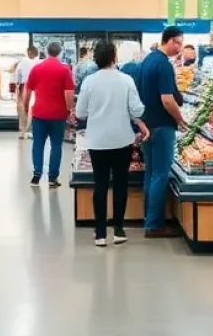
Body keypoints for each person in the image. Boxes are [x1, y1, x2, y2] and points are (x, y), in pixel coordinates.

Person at [75, 41, 149, 247]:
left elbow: (80, 113)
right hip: (122, 140)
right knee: (120, 184)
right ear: (114, 57)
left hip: (97, 141)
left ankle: (100, 233)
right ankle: (118, 229)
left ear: (96, 58)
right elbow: (137, 110)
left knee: (100, 185)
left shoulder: (89, 82)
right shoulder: (126, 80)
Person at [136, 25, 185, 238]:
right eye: (179, 42)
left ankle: (149, 218)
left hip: (147, 125)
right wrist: (180, 119)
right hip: (162, 126)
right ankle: (154, 225)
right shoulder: (164, 65)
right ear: (170, 41)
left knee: (151, 173)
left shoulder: (147, 60)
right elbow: (167, 100)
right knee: (160, 174)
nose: (181, 47)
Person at [27, 40, 74, 188]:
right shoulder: (65, 69)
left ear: (46, 52)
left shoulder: (37, 68)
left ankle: (37, 174)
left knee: (38, 144)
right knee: (56, 146)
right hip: (58, 115)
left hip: (39, 114)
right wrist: (69, 110)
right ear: (60, 52)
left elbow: (27, 91)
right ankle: (53, 177)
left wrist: (24, 106)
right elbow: (69, 93)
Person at [14, 45, 40, 139]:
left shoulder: (21, 62)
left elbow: (17, 76)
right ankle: (27, 131)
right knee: (29, 110)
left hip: (21, 87)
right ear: (31, 53)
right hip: (31, 87)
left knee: (21, 110)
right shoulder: (32, 63)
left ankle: (21, 131)